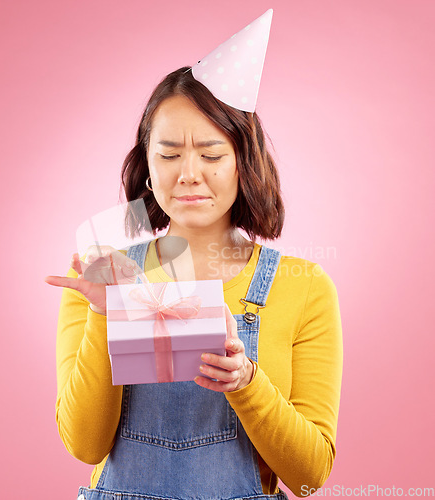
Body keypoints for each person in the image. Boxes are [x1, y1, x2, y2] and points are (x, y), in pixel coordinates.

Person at [45, 10, 342, 500]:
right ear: (147, 166)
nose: (188, 174)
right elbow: (84, 445)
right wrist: (105, 314)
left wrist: (247, 383)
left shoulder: (303, 287)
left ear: (244, 165)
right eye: (168, 154)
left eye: (210, 154)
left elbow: (310, 476)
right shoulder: (102, 276)